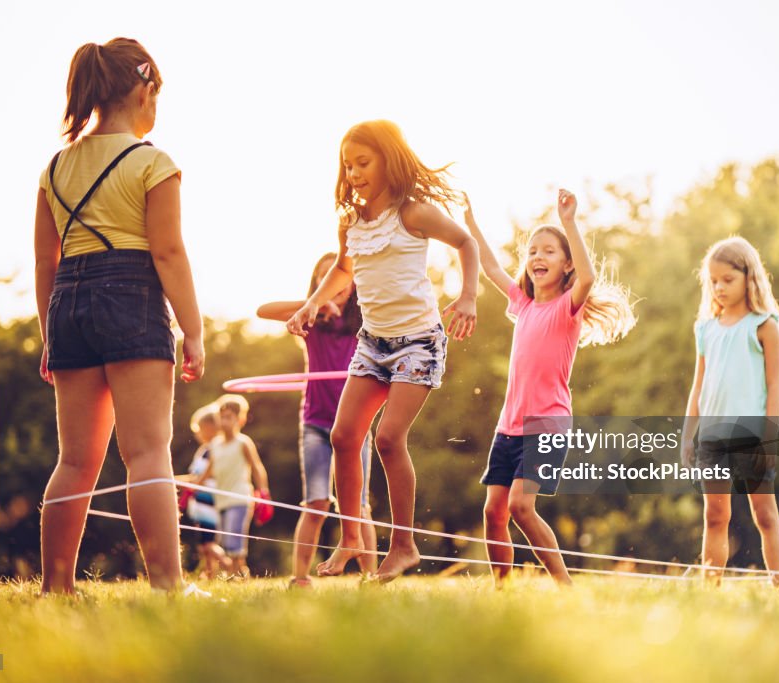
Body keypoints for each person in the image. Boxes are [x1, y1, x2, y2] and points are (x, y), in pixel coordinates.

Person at [35, 38, 204, 594]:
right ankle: (167, 587)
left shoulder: (56, 167)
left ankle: (55, 588)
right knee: (148, 452)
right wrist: (193, 329)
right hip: (130, 296)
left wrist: (47, 338)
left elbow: (46, 261)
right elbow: (168, 252)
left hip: (67, 305)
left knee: (76, 460)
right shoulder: (151, 161)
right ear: (144, 89)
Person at [286, 120, 479, 582]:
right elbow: (342, 269)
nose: (353, 174)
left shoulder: (414, 213)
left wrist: (469, 295)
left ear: (388, 160)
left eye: (363, 163)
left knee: (389, 438)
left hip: (418, 341)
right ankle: (352, 537)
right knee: (342, 437)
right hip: (372, 344)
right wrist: (312, 306)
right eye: (347, 165)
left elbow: (466, 242)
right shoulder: (350, 221)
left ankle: (404, 546)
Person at [465, 190, 636, 587]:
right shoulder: (523, 305)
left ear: (566, 264)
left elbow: (590, 278)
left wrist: (570, 222)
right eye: (532, 252)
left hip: (547, 424)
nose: (537, 258)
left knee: (521, 507)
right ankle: (502, 588)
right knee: (494, 511)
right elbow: (490, 267)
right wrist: (471, 224)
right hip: (508, 425)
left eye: (548, 252)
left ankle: (565, 586)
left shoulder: (567, 308)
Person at [680, 236, 779, 589]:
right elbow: (697, 386)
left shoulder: (765, 325)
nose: (718, 287)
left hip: (752, 439)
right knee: (715, 516)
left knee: (765, 515)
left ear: (749, 278)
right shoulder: (705, 328)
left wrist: (769, 438)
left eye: (727, 280)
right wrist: (688, 435)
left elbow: (776, 385)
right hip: (713, 439)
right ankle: (710, 587)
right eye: (713, 281)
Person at [258, 253, 378, 587]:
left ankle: (371, 577)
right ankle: (300, 578)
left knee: (360, 505)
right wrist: (314, 304)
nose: (333, 285)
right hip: (315, 422)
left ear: (351, 283)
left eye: (336, 278)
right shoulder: (309, 322)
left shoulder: (365, 321)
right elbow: (262, 311)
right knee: (317, 502)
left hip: (356, 423)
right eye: (324, 279)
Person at [196, 396, 268, 577]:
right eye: (223, 417)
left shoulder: (243, 442)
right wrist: (188, 485)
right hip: (222, 502)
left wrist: (264, 493)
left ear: (240, 419)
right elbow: (207, 473)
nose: (225, 421)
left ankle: (237, 575)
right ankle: (240, 573)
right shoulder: (215, 445)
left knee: (234, 538)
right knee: (226, 540)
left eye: (230, 417)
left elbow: (257, 468)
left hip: (240, 498)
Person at [177, 404, 226, 579]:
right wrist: (175, 479)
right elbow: (194, 476)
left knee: (208, 543)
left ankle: (231, 566)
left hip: (209, 502)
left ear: (210, 428)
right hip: (200, 503)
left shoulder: (213, 450)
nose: (196, 434)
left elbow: (203, 476)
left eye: (199, 429)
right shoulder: (203, 450)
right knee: (204, 543)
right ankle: (210, 572)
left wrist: (178, 481)